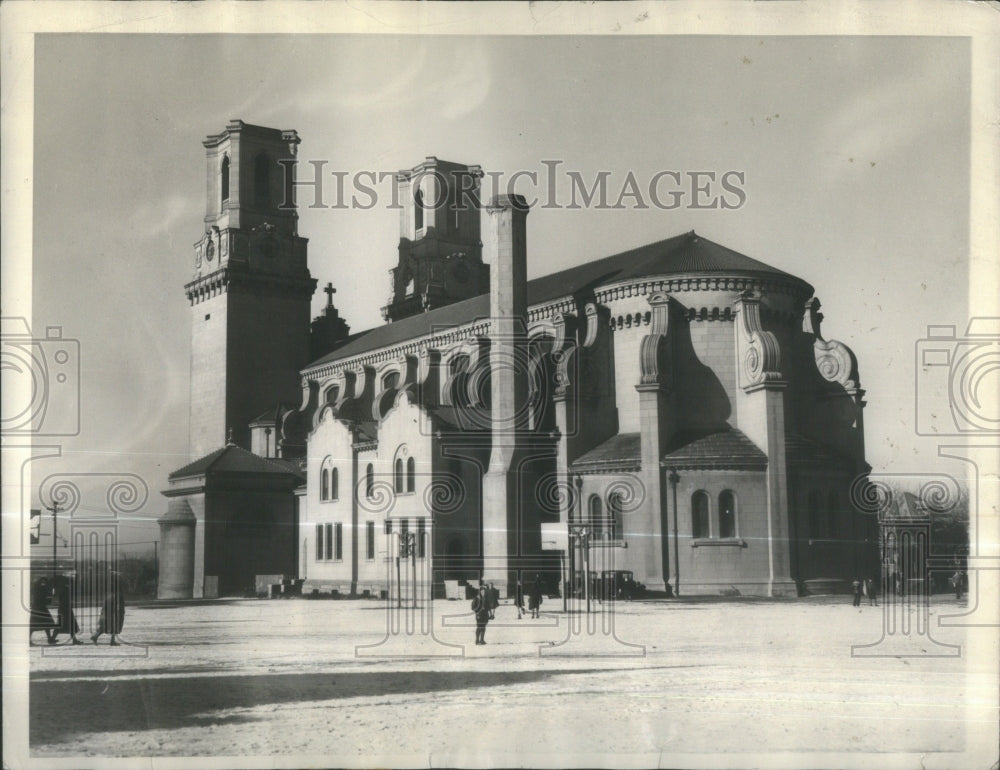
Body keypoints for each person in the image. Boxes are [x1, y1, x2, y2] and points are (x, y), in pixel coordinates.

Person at [91, 575, 126, 645]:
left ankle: (95, 636)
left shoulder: (109, 595)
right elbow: (119, 606)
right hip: (114, 613)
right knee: (115, 625)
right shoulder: (118, 595)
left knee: (105, 626)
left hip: (106, 613)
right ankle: (112, 641)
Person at [54, 574, 82, 645]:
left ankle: (52, 638)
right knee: (68, 624)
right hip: (65, 609)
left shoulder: (62, 588)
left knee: (63, 625)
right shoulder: (65, 589)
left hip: (64, 609)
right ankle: (52, 638)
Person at [30, 576, 57, 645]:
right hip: (41, 608)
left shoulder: (37, 588)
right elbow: (44, 599)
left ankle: (49, 638)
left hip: (36, 608)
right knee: (46, 624)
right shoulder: (41, 588)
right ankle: (49, 639)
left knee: (34, 625)